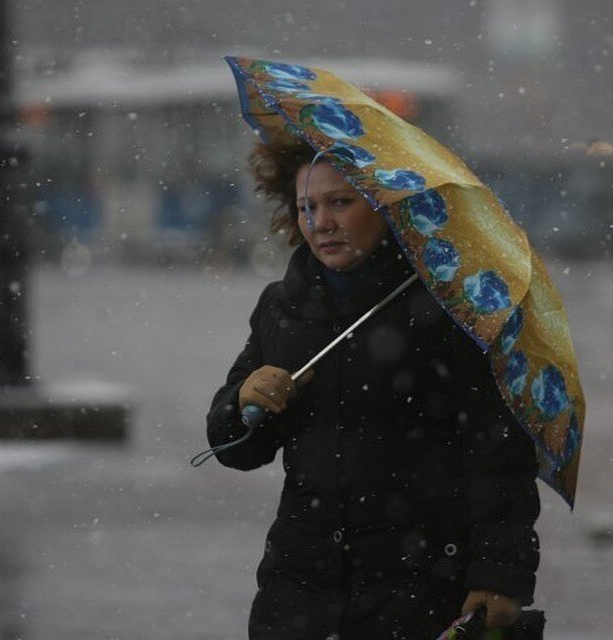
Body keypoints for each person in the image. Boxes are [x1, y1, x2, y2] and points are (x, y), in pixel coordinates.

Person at [206, 138, 541, 640]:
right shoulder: (283, 306)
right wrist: (243, 401)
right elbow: (236, 449)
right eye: (307, 207)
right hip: (299, 591)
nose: (321, 222)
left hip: (417, 587)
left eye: (341, 202)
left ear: (386, 204)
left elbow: (498, 450)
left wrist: (500, 576)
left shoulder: (448, 308)